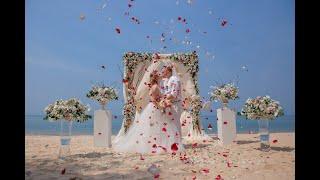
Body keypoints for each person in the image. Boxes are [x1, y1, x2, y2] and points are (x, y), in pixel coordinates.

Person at [113, 70, 184, 154]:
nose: (161, 76)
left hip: (153, 107)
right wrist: (161, 105)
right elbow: (153, 100)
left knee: (155, 126)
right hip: (155, 107)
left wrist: (163, 102)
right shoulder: (155, 87)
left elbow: (157, 98)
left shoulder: (154, 86)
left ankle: (156, 143)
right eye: (159, 75)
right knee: (156, 126)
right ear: (156, 78)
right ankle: (156, 144)